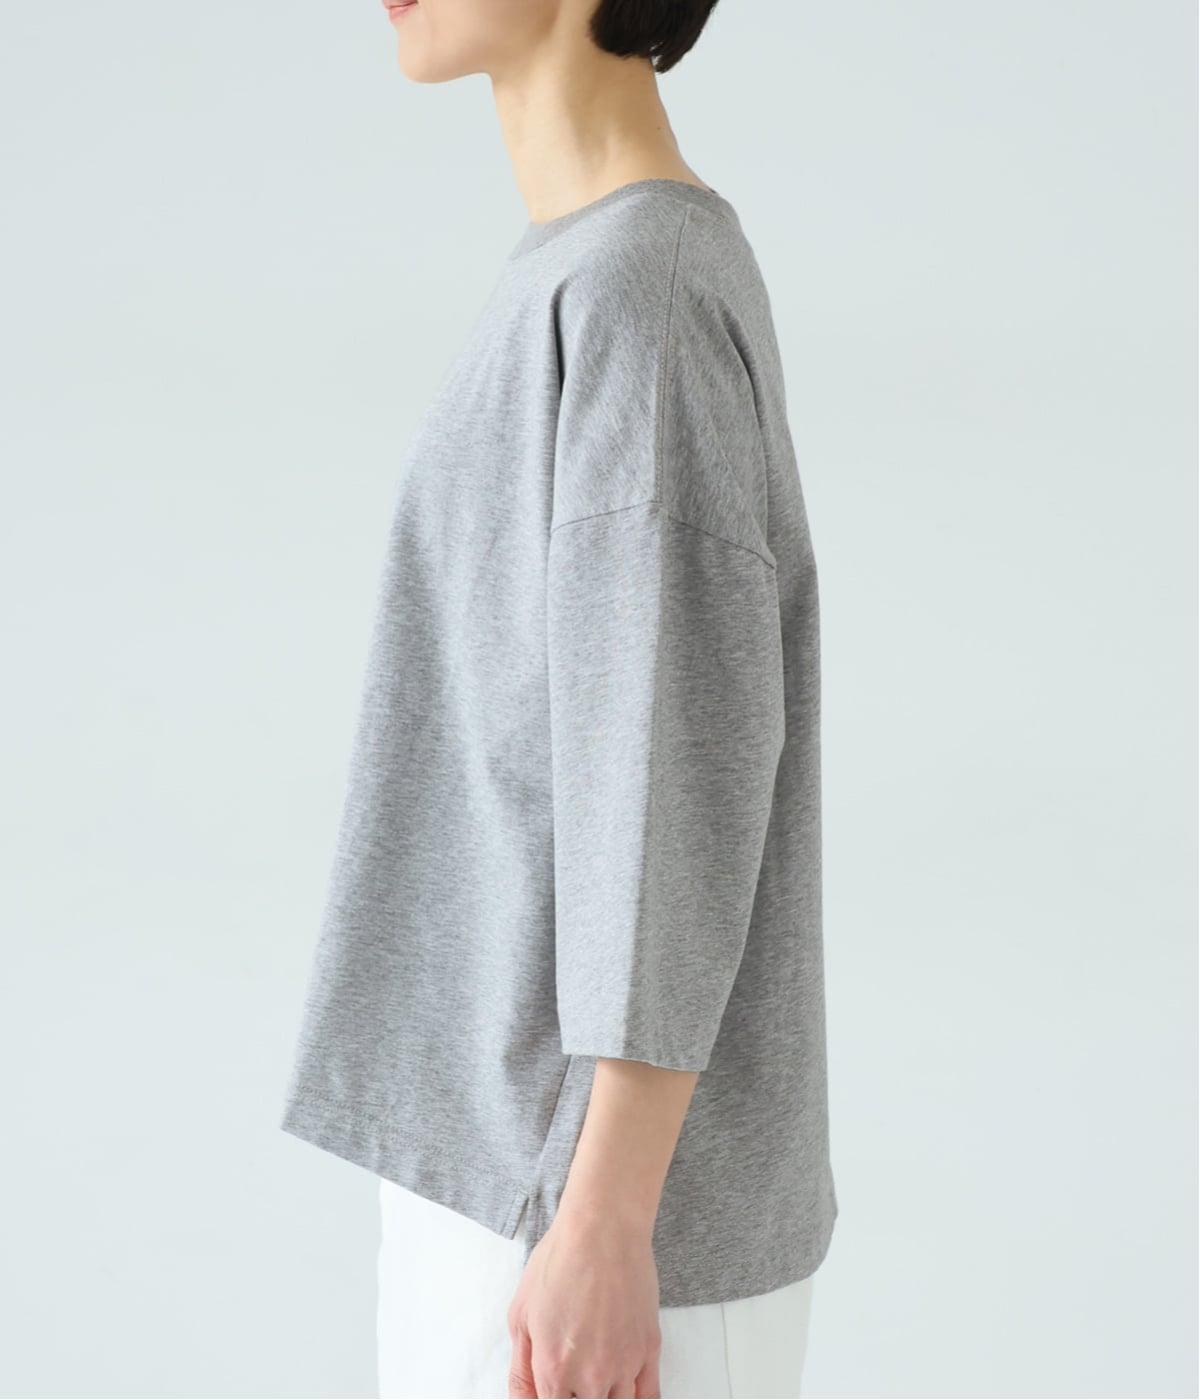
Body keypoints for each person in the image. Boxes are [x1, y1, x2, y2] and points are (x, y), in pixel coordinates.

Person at [280, 0, 837, 1395]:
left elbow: (673, 771)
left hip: (581, 1217)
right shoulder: (581, 271)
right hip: (521, 1181)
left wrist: (606, 1218)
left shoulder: (637, 293)